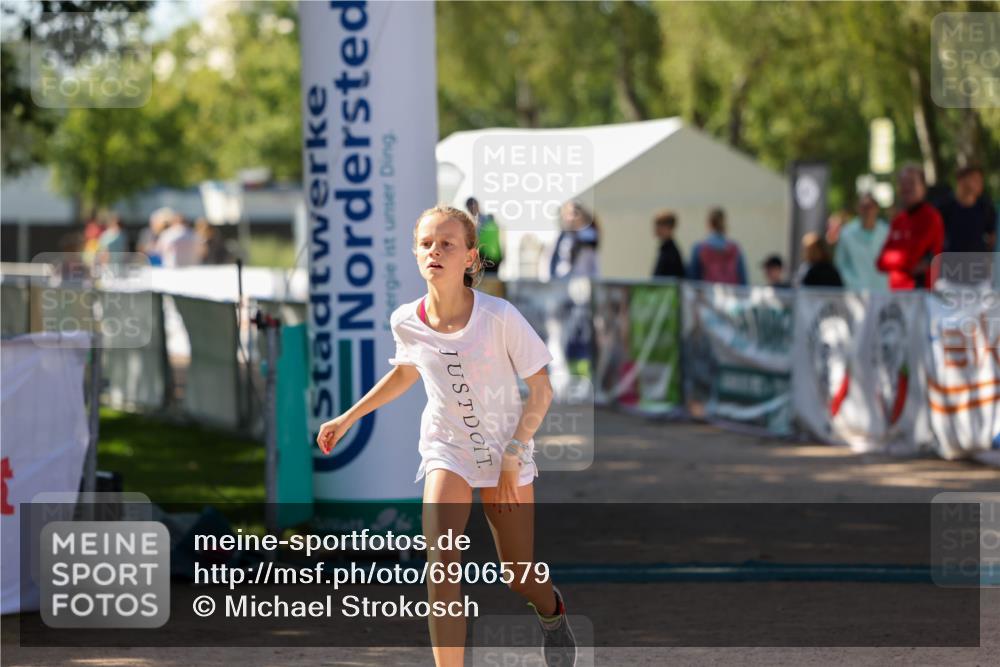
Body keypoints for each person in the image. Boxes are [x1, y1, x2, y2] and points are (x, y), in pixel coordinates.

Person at [316, 206, 576, 667]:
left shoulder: (499, 316)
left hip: (505, 452)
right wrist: (347, 417)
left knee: (517, 575)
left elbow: (542, 391)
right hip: (447, 450)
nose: (435, 251)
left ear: (470, 257)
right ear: (416, 253)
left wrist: (514, 455)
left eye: (447, 244)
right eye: (426, 244)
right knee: (441, 564)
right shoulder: (406, 320)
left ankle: (551, 609)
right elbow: (405, 372)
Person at [877, 164, 945, 290]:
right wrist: (905, 263)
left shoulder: (930, 217)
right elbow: (880, 262)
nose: (906, 187)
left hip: (923, 294)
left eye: (912, 182)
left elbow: (911, 256)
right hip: (898, 295)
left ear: (923, 187)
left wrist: (894, 260)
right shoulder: (898, 220)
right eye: (903, 183)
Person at [834, 194, 890, 291]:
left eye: (870, 207)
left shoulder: (887, 232)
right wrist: (852, 283)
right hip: (856, 293)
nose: (867, 211)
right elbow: (840, 264)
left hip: (883, 290)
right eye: (863, 207)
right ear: (858, 209)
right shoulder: (846, 233)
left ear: (877, 209)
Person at [939, 165, 997, 253]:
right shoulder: (943, 207)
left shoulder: (986, 207)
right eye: (975, 180)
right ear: (961, 180)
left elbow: (992, 237)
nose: (980, 184)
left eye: (980, 180)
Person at [687, 207, 747, 285]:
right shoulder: (734, 248)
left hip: (707, 293)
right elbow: (743, 279)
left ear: (708, 223)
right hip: (730, 294)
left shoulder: (699, 248)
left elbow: (692, 278)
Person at [549, 201, 600, 279]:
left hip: (583, 280)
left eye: (574, 214)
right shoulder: (563, 236)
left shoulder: (588, 234)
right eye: (567, 215)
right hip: (563, 279)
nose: (570, 218)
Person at [466, 197, 503, 275]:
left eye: (472, 206)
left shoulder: (480, 222)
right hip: (492, 256)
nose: (472, 209)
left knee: (487, 282)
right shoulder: (490, 220)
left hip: (487, 257)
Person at [651, 210, 685, 278]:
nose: (656, 229)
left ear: (667, 227)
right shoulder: (665, 248)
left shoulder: (671, 251)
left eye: (659, 225)